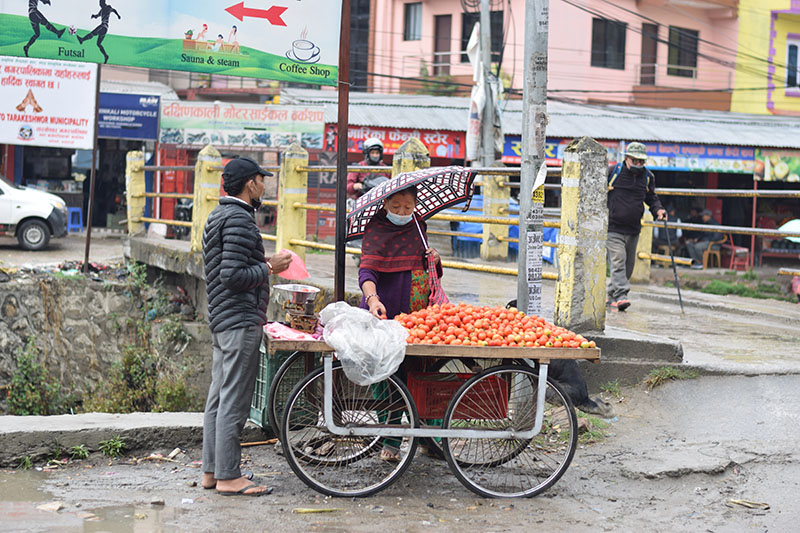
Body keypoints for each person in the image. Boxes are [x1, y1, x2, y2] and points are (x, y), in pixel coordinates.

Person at [201, 157, 292, 497]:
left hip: (224, 320)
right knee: (234, 402)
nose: (265, 187)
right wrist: (270, 266)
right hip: (239, 319)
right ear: (250, 184)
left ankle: (212, 471)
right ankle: (228, 477)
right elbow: (233, 275)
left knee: (218, 399)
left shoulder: (218, 214)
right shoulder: (239, 219)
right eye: (261, 180)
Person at [358, 186, 442, 461]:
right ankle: (391, 442)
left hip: (418, 317)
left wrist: (434, 261)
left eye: (408, 207)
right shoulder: (376, 230)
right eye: (396, 207)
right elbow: (367, 270)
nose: (403, 213)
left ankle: (430, 439)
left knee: (420, 376)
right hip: (384, 311)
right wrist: (372, 299)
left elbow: (429, 271)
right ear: (385, 205)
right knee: (386, 378)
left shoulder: (419, 226)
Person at [607, 142, 666, 311]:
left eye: (641, 161)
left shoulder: (648, 177)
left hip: (633, 228)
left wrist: (659, 210)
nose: (638, 164)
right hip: (613, 227)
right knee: (618, 260)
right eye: (635, 160)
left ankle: (611, 296)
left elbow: (651, 198)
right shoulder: (613, 172)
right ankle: (622, 295)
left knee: (628, 267)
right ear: (626, 158)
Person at [77, 0, 121, 64]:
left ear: (103, 3)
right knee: (98, 44)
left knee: (93, 33)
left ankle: (82, 39)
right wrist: (93, 16)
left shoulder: (108, 8)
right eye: (99, 4)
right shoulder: (101, 10)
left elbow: (114, 10)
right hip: (105, 29)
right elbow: (97, 16)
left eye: (100, 3)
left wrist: (118, 15)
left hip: (103, 26)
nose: (100, 5)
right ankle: (106, 56)